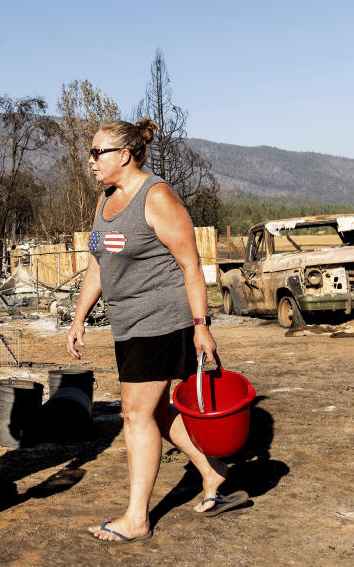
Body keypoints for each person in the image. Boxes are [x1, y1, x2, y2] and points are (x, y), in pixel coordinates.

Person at [66, 119, 249, 543]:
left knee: (135, 414)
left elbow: (191, 264)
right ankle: (213, 471)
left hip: (163, 320)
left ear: (124, 155)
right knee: (158, 411)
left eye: (98, 152)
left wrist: (202, 327)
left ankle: (137, 518)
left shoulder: (158, 196)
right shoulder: (105, 200)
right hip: (127, 323)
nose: (91, 160)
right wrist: (79, 318)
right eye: (90, 152)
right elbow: (98, 262)